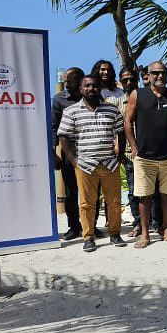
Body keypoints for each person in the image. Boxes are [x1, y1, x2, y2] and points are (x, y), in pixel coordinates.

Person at [57, 74, 127, 252]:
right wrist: (74, 161)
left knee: (114, 201)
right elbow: (64, 137)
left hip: (109, 164)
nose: (91, 89)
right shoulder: (71, 111)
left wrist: (119, 157)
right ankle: (88, 237)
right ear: (81, 89)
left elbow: (121, 132)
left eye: (94, 86)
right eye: (87, 86)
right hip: (85, 165)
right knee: (87, 203)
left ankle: (114, 233)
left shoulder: (111, 110)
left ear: (100, 88)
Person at [123, 61, 167, 248]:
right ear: (148, 76)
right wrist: (134, 147)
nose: (160, 76)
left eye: (163, 72)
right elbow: (128, 121)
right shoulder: (138, 95)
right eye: (155, 73)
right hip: (144, 157)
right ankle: (144, 234)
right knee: (144, 196)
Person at [52, 67, 84, 240]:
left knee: (91, 190)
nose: (65, 83)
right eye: (64, 80)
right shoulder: (59, 99)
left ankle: (90, 226)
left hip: (89, 150)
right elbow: (53, 126)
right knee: (71, 191)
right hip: (68, 151)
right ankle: (74, 226)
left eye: (69, 80)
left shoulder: (90, 95)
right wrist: (53, 151)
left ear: (79, 81)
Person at [116, 67, 140, 223]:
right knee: (132, 190)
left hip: (148, 151)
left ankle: (154, 222)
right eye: (125, 80)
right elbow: (116, 129)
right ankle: (137, 222)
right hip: (128, 153)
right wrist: (119, 151)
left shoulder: (146, 97)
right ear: (120, 82)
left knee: (152, 190)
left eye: (132, 79)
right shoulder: (117, 103)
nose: (129, 82)